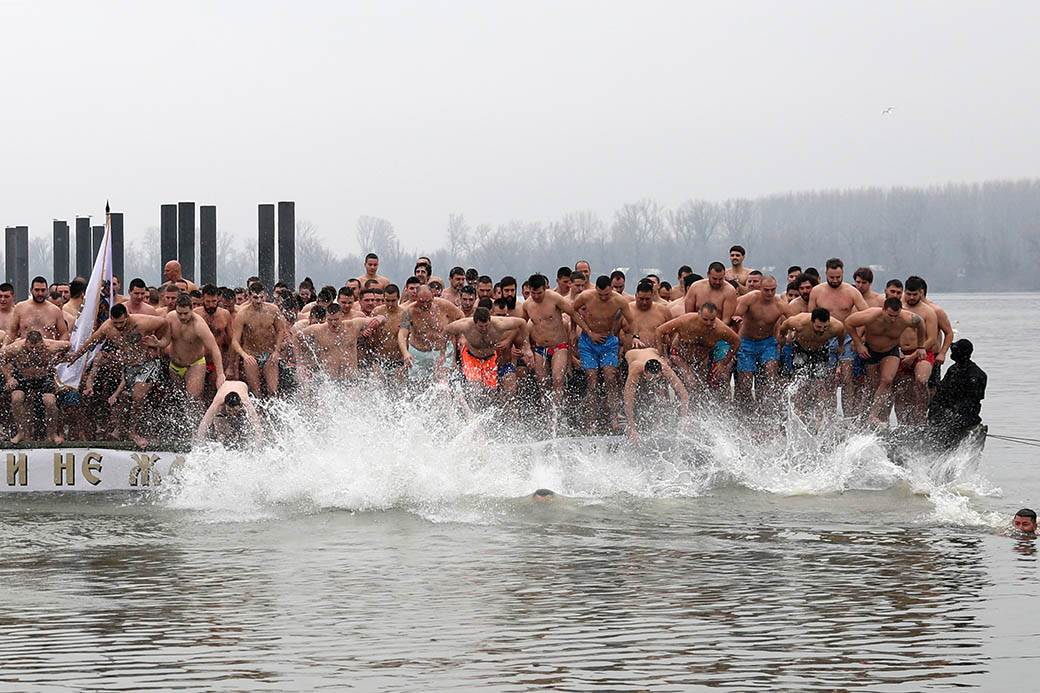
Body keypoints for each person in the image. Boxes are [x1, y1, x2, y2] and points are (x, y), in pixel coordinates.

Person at [64, 304, 169, 448]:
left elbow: (165, 323)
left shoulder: (142, 322)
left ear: (127, 317)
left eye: (122, 322)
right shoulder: (107, 327)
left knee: (138, 396)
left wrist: (159, 343)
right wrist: (75, 356)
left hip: (148, 364)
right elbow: (91, 342)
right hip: (128, 366)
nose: (119, 326)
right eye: (116, 323)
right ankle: (119, 429)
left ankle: (133, 432)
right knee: (125, 397)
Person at [845, 297, 927, 425]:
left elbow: (921, 324)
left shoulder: (907, 318)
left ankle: (873, 415)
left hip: (891, 350)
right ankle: (862, 417)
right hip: (871, 350)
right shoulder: (871, 315)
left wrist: (921, 347)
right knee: (872, 386)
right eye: (890, 315)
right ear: (883, 310)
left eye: (896, 315)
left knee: (887, 381)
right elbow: (848, 322)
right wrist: (858, 343)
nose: (893, 319)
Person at [572, 276, 637, 431]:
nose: (603, 298)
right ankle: (592, 419)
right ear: (596, 289)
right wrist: (581, 331)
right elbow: (572, 311)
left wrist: (633, 337)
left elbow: (631, 320)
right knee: (591, 378)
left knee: (610, 376)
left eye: (606, 295)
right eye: (600, 295)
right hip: (588, 340)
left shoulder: (619, 300)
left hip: (608, 341)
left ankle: (614, 416)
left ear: (611, 289)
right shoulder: (586, 296)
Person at [522, 274, 593, 407]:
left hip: (559, 346)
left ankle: (558, 413)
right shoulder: (527, 305)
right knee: (542, 382)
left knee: (558, 379)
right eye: (533, 293)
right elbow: (522, 325)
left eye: (539, 293)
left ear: (545, 288)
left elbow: (573, 313)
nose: (536, 296)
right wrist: (526, 348)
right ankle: (547, 415)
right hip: (540, 348)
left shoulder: (554, 298)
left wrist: (586, 331)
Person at [0, 331, 70, 443]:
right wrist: (9, 378)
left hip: (43, 377)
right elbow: (1, 359)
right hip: (23, 376)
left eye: (37, 348)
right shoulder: (15, 348)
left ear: (42, 344)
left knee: (50, 401)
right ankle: (21, 432)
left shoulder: (51, 346)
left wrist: (59, 357)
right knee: (16, 398)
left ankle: (52, 434)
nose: (34, 351)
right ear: (25, 343)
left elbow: (68, 345)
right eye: (30, 348)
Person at [656, 302, 740, 396]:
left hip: (702, 359)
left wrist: (723, 363)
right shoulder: (685, 321)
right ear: (699, 314)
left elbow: (736, 342)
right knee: (690, 382)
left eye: (712, 320)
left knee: (704, 387)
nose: (708, 323)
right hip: (679, 356)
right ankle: (682, 408)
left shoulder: (720, 329)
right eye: (705, 319)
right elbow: (660, 331)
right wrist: (663, 356)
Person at [445, 308, 529, 393]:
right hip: (471, 356)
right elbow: (446, 331)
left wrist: (526, 348)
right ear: (475, 322)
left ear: (489, 321)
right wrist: (455, 342)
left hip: (490, 357)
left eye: (486, 325)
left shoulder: (499, 324)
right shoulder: (465, 325)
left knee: (490, 390)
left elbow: (522, 322)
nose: (484, 329)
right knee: (474, 389)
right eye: (481, 326)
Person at [778, 308, 846, 411]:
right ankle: (798, 412)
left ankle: (821, 416)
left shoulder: (837, 327)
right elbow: (783, 327)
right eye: (818, 327)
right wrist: (782, 339)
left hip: (820, 350)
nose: (822, 330)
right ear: (812, 322)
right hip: (801, 349)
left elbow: (841, 339)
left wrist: (840, 348)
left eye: (825, 327)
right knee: (800, 382)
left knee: (820, 384)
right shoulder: (798, 322)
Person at [231, 281, 289, 397]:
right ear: (249, 296)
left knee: (273, 391)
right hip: (251, 354)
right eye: (255, 297)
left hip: (269, 354)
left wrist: (277, 351)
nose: (258, 301)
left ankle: (273, 413)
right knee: (256, 391)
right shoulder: (243, 314)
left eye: (261, 297)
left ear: (265, 296)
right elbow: (235, 341)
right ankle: (258, 412)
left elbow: (281, 331)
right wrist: (245, 355)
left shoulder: (273, 310)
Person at [166, 293, 225, 403]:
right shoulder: (170, 317)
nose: (183, 317)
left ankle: (199, 420)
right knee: (179, 400)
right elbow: (166, 340)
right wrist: (158, 343)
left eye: (185, 313)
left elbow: (214, 348)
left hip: (195, 365)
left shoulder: (199, 325)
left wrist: (220, 374)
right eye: (180, 313)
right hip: (175, 366)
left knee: (192, 400)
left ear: (192, 309)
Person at [397, 286, 464, 383]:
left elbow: (461, 317)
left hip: (442, 351)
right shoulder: (409, 311)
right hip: (419, 352)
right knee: (419, 385)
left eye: (428, 302)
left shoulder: (444, 305)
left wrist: (461, 337)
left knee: (443, 383)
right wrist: (405, 353)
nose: (425, 305)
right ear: (415, 298)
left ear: (433, 297)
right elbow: (402, 334)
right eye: (421, 302)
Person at [301, 303, 384, 381]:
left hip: (351, 379)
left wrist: (379, 319)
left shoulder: (353, 325)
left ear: (342, 316)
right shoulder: (318, 329)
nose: (333, 323)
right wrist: (300, 364)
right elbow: (297, 337)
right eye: (330, 320)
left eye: (336, 319)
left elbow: (383, 319)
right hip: (329, 381)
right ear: (326, 317)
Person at [622, 347, 689, 444]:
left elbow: (683, 394)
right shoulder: (635, 369)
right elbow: (628, 401)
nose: (653, 381)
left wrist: (684, 420)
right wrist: (632, 428)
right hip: (630, 355)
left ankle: (659, 422)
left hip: (653, 351)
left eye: (656, 378)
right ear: (644, 372)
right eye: (651, 378)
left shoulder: (665, 368)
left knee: (659, 390)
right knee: (636, 394)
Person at [927, 339, 986, 444]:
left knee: (956, 418)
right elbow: (941, 393)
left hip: (964, 415)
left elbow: (971, 402)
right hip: (947, 411)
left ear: (961, 353)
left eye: (954, 350)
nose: (952, 353)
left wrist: (952, 414)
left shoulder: (976, 375)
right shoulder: (953, 369)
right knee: (935, 410)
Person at [5, 276, 70, 344]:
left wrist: (59, 349)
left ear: (47, 290)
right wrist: (4, 347)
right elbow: (12, 332)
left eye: (43, 290)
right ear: (31, 290)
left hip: (47, 351)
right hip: (25, 351)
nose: (40, 293)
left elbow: (64, 334)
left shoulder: (55, 310)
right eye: (37, 290)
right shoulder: (20, 308)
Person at [194, 380, 263, 445]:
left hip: (241, 385)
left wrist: (258, 444)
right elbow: (204, 423)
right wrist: (199, 444)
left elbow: (256, 423)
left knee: (245, 420)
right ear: (225, 404)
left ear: (240, 404)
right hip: (224, 386)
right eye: (230, 410)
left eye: (235, 410)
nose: (232, 414)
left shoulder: (245, 401)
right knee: (220, 430)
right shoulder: (218, 401)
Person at [196, 284, 235, 380]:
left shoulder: (225, 314)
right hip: (198, 361)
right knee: (198, 393)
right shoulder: (196, 314)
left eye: (214, 301)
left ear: (218, 299)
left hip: (218, 361)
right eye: (208, 302)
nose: (211, 305)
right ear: (202, 300)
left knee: (215, 391)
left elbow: (232, 342)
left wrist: (231, 366)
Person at [624, 280, 673, 352]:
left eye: (647, 299)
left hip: (657, 355)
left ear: (652, 296)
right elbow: (615, 332)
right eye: (641, 299)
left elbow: (672, 333)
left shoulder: (663, 311)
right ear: (636, 296)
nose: (644, 302)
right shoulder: (626, 310)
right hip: (631, 356)